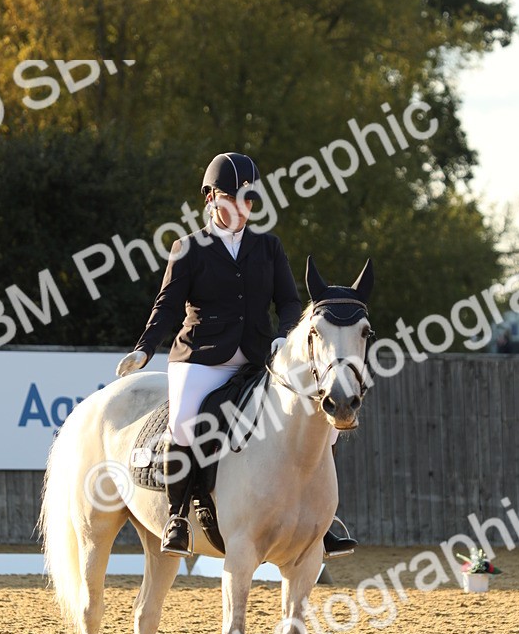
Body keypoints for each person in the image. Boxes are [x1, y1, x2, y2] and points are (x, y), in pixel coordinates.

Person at [117, 151, 357, 558]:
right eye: (233, 199)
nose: (243, 208)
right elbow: (168, 306)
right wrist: (144, 348)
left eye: (249, 200)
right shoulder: (188, 248)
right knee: (184, 425)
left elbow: (288, 302)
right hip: (201, 359)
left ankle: (321, 520)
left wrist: (283, 336)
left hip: (259, 359)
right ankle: (177, 516)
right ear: (211, 198)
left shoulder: (268, 247)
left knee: (324, 421)